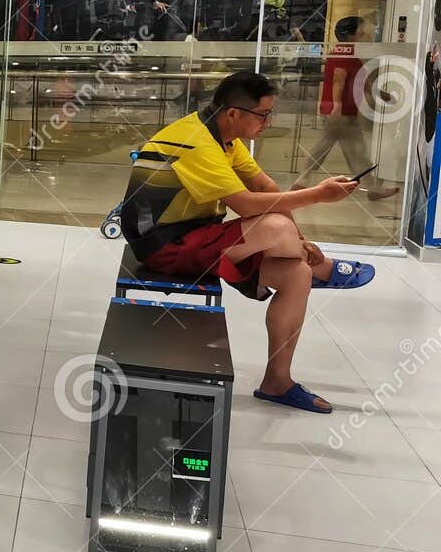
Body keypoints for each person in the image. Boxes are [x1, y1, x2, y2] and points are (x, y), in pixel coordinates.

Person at [120, 70, 375, 414]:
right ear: (234, 114)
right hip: (164, 245)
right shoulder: (195, 141)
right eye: (263, 115)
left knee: (296, 274)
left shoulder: (225, 137)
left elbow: (266, 188)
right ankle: (326, 270)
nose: (268, 123)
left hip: (196, 234)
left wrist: (302, 240)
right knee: (273, 226)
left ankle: (277, 382)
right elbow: (244, 204)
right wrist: (317, 195)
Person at [296, 15, 399, 200]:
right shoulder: (344, 53)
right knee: (357, 151)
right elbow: (339, 79)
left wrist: (382, 95)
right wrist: (337, 106)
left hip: (343, 112)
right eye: (362, 31)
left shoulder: (350, 54)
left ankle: (302, 181)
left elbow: (363, 81)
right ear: (351, 35)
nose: (366, 34)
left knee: (326, 148)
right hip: (341, 113)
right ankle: (372, 188)